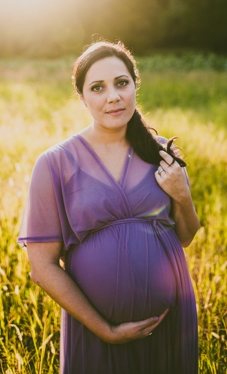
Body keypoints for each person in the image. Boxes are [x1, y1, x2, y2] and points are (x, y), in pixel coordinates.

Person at [18, 41, 199, 373]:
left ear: (134, 86)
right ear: (83, 98)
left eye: (121, 83)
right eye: (98, 88)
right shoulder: (55, 163)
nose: (113, 96)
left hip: (171, 325)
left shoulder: (158, 151)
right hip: (96, 334)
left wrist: (182, 195)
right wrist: (107, 331)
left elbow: (185, 236)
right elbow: (42, 267)